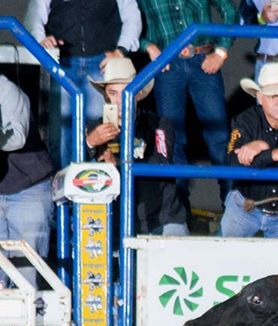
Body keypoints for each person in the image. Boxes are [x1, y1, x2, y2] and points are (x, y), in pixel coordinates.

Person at [138, 0, 238, 199]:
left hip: (204, 58)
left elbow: (228, 9)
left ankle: (231, 205)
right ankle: (177, 211)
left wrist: (221, 51)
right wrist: (149, 47)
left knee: (219, 136)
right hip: (168, 64)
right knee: (171, 138)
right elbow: (127, 22)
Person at [25, 0, 142, 168]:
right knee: (62, 132)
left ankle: (99, 188)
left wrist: (121, 50)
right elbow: (34, 14)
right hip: (62, 63)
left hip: (101, 64)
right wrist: (40, 40)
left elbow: (132, 14)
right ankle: (64, 187)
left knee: (100, 128)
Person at [84, 57, 188, 236]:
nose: (119, 100)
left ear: (139, 94)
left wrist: (117, 163)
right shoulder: (94, 128)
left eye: (126, 92)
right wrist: (90, 143)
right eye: (113, 93)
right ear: (105, 95)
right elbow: (75, 175)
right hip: (113, 223)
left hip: (162, 218)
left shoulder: (159, 124)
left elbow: (161, 164)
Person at [220, 63, 278, 238]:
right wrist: (277, 154)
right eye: (273, 96)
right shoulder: (244, 120)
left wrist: (262, 148)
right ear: (260, 97)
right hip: (244, 208)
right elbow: (234, 161)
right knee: (226, 260)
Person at [0, 75, 54, 288]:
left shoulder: (6, 90)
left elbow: (16, 138)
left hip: (27, 187)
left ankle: (29, 320)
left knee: (27, 274)